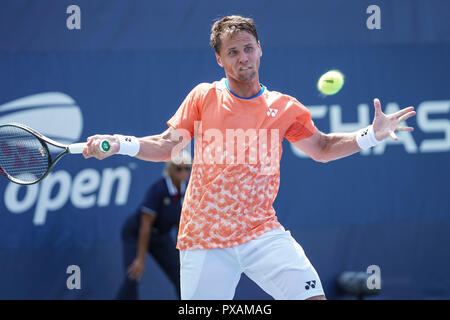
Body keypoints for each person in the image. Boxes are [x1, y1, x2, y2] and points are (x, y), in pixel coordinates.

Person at [83, 15, 416, 300]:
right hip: (204, 240)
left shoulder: (285, 107)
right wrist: (120, 143)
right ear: (220, 59)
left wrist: (371, 136)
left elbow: (324, 148)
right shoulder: (204, 96)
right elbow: (168, 145)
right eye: (232, 52)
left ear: (259, 50)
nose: (243, 58)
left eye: (248, 48)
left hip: (262, 233)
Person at [116, 151, 191, 300]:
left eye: (187, 168)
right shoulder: (159, 190)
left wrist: (182, 253)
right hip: (136, 233)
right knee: (134, 274)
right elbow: (145, 226)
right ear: (170, 169)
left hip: (161, 237)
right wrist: (140, 259)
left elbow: (180, 224)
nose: (183, 172)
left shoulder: (187, 190)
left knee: (181, 275)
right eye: (178, 168)